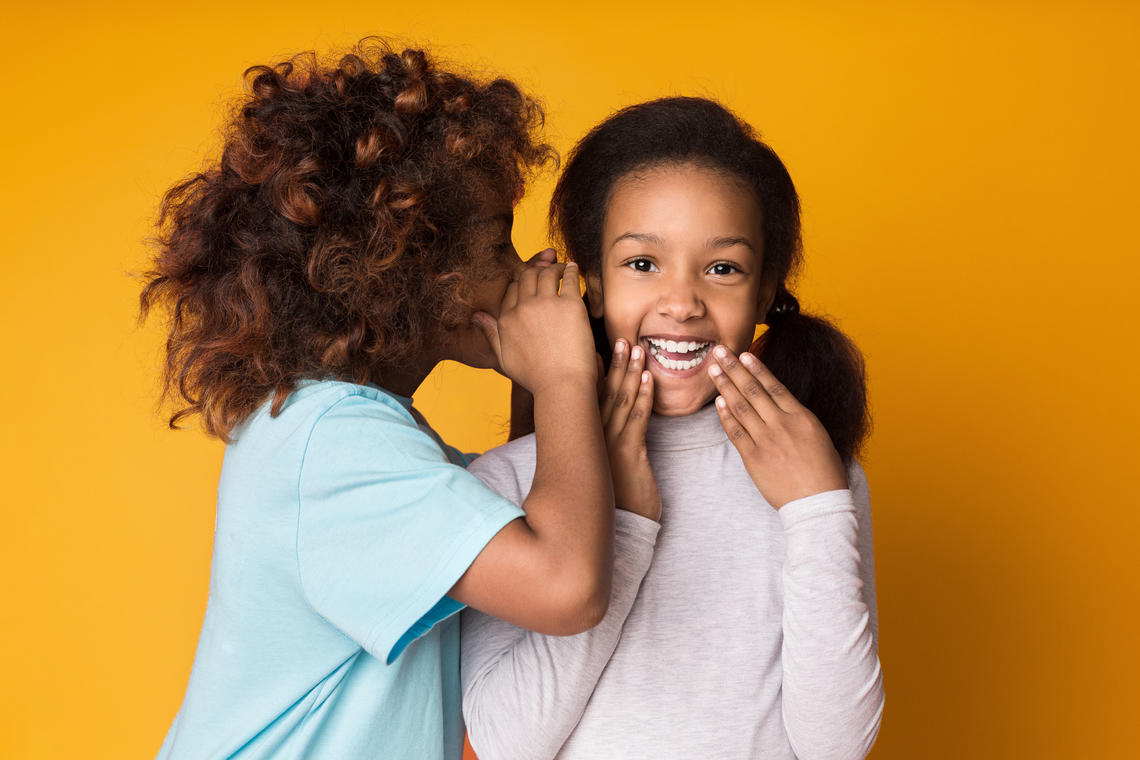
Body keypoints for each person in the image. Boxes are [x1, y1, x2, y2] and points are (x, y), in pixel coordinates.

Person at [141, 39, 619, 760]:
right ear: (403, 266)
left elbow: (534, 516)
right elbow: (563, 585)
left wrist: (534, 374)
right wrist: (562, 379)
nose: (525, 272)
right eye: (499, 245)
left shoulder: (349, 437)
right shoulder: (332, 445)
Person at [461, 96, 884, 759]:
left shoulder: (814, 474)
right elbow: (506, 742)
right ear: (592, 283)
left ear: (766, 288)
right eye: (642, 263)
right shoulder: (505, 480)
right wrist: (622, 523)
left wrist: (819, 510)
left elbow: (836, 746)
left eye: (722, 268)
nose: (682, 303)